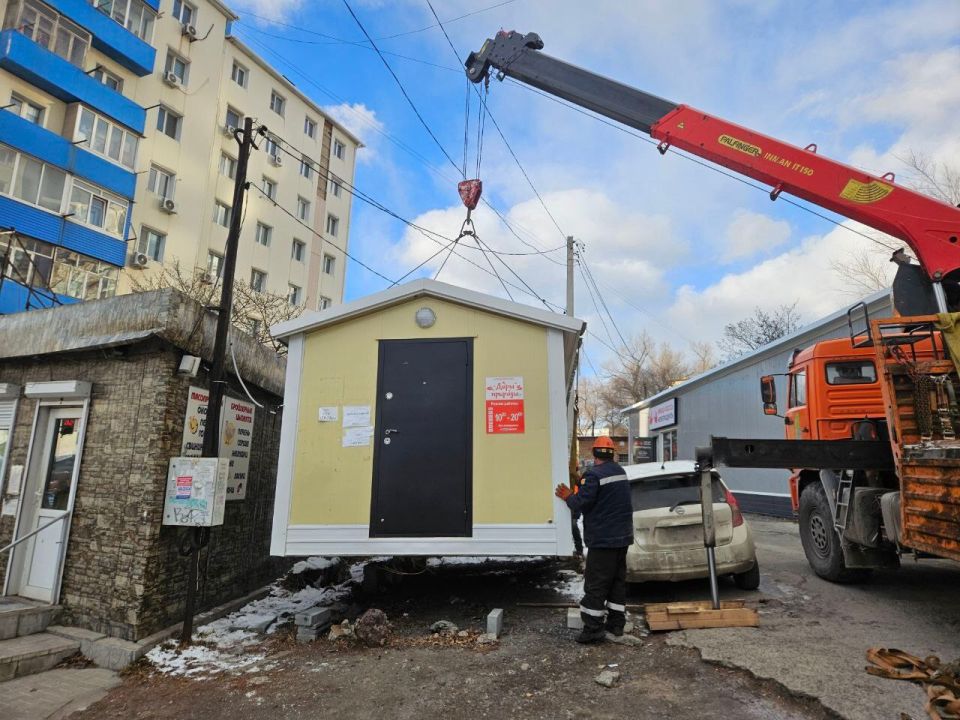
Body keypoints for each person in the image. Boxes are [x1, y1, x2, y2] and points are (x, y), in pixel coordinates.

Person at [555, 436, 633, 643]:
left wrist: (567, 496)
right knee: (616, 582)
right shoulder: (620, 472)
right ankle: (616, 625)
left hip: (603, 540)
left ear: (594, 453)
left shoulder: (593, 476)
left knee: (596, 584)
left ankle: (593, 629)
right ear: (612, 454)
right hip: (622, 538)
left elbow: (581, 503)